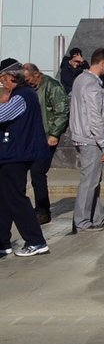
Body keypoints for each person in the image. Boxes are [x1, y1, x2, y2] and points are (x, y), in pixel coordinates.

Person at [0, 59, 50, 257]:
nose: (2, 83)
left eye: (3, 78)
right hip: (10, 153)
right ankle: (2, 242)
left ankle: (36, 240)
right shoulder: (20, 95)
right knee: (4, 199)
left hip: (16, 155)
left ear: (11, 76)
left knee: (16, 199)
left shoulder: (23, 96)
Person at [69, 48, 104, 233]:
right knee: (89, 181)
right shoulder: (92, 86)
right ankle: (82, 221)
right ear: (103, 62)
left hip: (82, 135)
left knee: (93, 179)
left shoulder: (80, 79)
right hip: (90, 139)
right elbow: (95, 117)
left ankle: (97, 217)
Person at [22, 63, 68, 225]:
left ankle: (42, 211)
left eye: (29, 80)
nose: (28, 83)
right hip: (31, 137)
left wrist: (55, 134)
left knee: (38, 173)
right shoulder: (28, 88)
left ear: (37, 74)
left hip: (46, 137)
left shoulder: (52, 87)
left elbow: (62, 112)